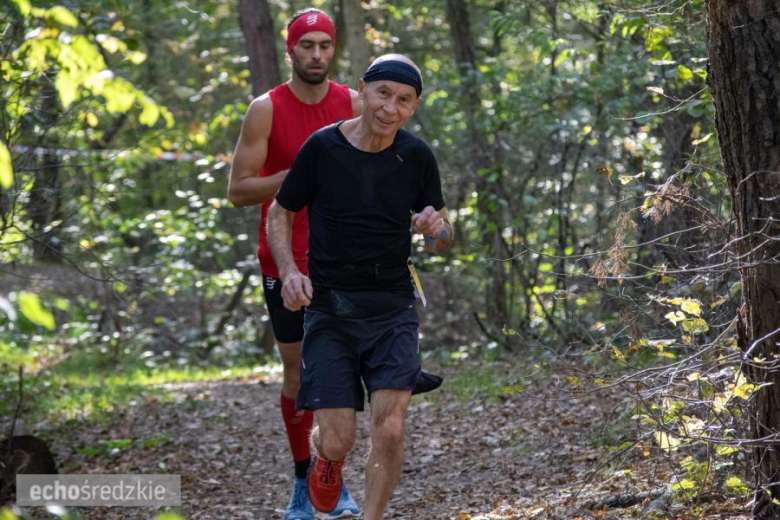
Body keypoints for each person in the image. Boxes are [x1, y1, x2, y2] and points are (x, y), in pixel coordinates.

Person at [267, 54, 454, 520]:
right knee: (338, 439)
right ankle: (327, 462)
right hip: (330, 309)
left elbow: (444, 234)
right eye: (383, 93)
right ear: (362, 91)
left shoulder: (415, 157)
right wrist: (290, 271)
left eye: (404, 100)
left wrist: (438, 230)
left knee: (389, 429)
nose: (390, 107)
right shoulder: (323, 148)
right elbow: (279, 212)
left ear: (413, 108)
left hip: (392, 307)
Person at [226, 8, 362, 520]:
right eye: (307, 46)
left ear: (333, 51)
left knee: (342, 375)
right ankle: (303, 481)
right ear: (290, 49)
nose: (317, 55)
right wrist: (298, 174)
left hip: (344, 259)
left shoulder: (351, 101)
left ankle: (335, 478)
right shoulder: (266, 109)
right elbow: (238, 191)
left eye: (325, 46)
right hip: (282, 261)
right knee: (297, 376)